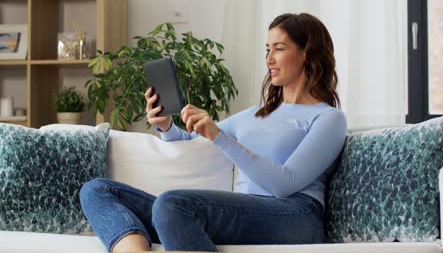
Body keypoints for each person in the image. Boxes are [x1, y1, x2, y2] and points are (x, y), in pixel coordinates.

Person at [80, 13, 347, 252]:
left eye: (279, 49)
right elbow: (192, 141)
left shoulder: (328, 118)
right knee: (98, 189)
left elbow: (285, 183)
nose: (269, 60)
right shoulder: (257, 113)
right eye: (267, 49)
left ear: (307, 54)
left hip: (296, 215)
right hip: (245, 211)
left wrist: (219, 135)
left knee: (173, 205)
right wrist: (166, 127)